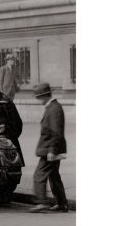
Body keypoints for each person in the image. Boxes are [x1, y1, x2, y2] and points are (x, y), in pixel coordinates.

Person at [29, 83, 69, 213]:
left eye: (39, 98)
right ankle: (62, 204)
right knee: (54, 177)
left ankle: (42, 202)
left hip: (49, 150)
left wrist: (52, 150)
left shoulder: (54, 109)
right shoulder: (53, 107)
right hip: (51, 148)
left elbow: (56, 131)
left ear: (45, 96)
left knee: (39, 175)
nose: (38, 101)